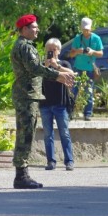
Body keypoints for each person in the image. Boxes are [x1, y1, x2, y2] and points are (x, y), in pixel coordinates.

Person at [11, 14, 75, 189]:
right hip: (27, 95)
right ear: (24, 29)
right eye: (33, 27)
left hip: (28, 94)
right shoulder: (24, 46)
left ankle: (22, 174)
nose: (37, 29)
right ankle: (21, 176)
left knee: (26, 134)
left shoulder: (24, 46)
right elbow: (34, 68)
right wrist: (58, 75)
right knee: (25, 135)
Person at [40, 38, 75, 171]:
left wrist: (56, 66)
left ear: (59, 51)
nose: (51, 52)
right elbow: (36, 77)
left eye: (54, 49)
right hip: (45, 104)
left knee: (64, 133)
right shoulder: (42, 66)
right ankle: (51, 161)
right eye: (49, 49)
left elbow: (71, 74)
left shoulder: (64, 63)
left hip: (60, 103)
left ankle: (69, 160)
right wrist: (46, 66)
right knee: (47, 134)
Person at [69, 17, 103, 121]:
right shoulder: (77, 39)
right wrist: (78, 51)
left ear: (91, 28)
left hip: (89, 69)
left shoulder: (96, 39)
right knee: (73, 91)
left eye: (87, 29)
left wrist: (92, 52)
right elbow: (70, 55)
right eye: (84, 29)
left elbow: (101, 54)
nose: (86, 31)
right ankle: (69, 112)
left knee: (89, 91)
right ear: (81, 28)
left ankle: (88, 113)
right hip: (78, 68)